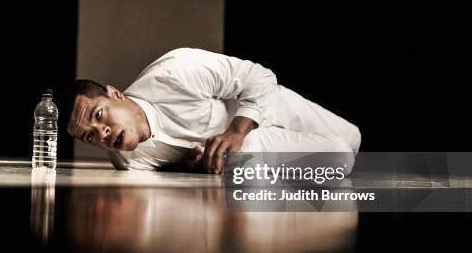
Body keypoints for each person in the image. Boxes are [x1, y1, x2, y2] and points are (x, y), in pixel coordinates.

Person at [59, 48, 361, 174]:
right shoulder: (126, 159)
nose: (102, 133)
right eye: (89, 137)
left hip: (268, 107)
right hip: (248, 150)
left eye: (98, 116)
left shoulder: (175, 71)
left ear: (115, 94)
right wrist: (193, 165)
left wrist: (236, 131)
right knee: (340, 156)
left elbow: (259, 76)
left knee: (353, 140)